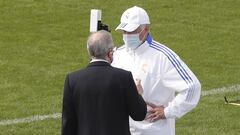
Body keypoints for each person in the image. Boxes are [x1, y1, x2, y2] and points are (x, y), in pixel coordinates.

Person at [112, 6, 201, 135]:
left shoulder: (163, 57)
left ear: (146, 29)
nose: (127, 36)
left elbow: (192, 87)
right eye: (124, 31)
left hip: (154, 130)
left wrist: (168, 111)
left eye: (132, 31)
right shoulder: (118, 54)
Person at [61, 30, 147, 135]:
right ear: (110, 53)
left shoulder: (72, 80)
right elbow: (139, 114)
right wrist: (138, 94)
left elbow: (68, 123)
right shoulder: (124, 77)